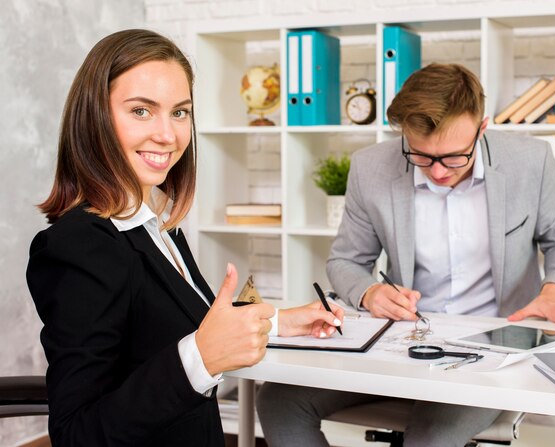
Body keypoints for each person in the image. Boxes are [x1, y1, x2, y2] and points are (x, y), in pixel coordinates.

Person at [26, 29, 343, 447]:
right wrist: (202, 358)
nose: (168, 135)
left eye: (179, 112)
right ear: (95, 117)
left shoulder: (155, 223)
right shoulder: (78, 247)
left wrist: (281, 321)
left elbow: (180, 326)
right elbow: (77, 435)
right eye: (141, 111)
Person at [257, 63, 555, 446]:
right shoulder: (370, 168)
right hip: (402, 344)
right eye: (420, 155)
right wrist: (369, 292)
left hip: (491, 353)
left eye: (454, 158)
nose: (436, 173)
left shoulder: (530, 163)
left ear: (481, 129)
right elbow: (346, 261)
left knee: (429, 436)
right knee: (279, 400)